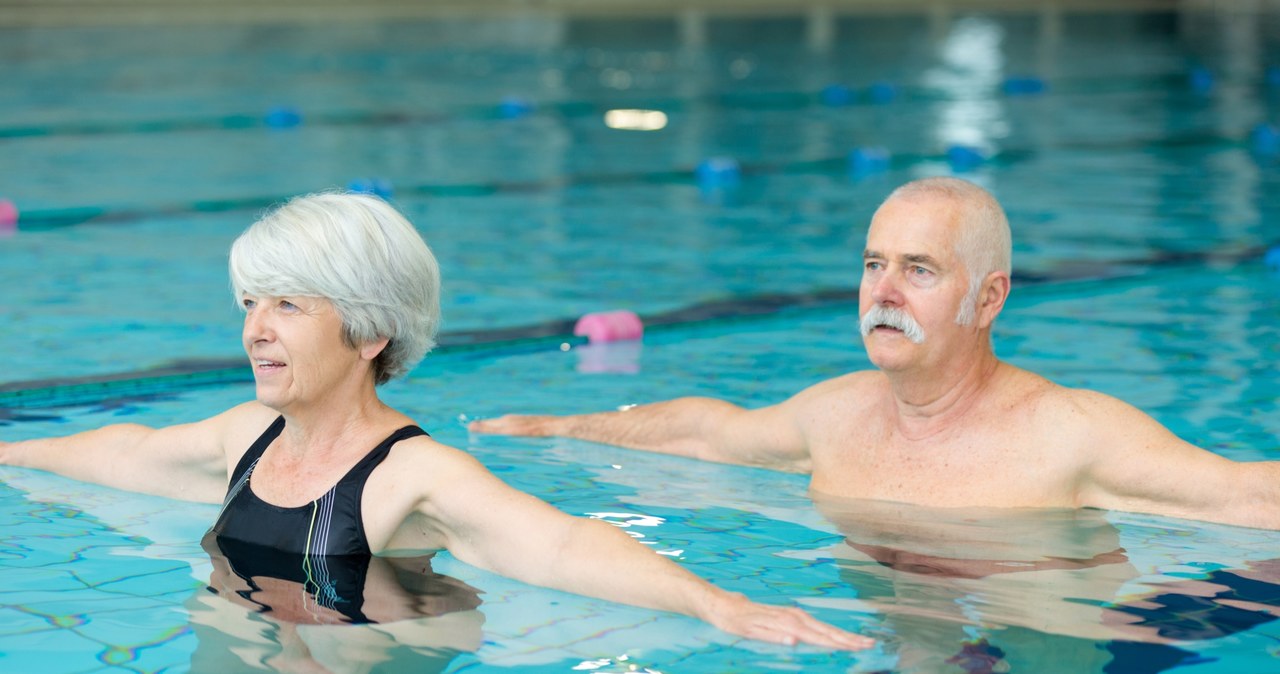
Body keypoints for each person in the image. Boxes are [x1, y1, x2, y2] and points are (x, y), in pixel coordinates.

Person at [0, 192, 870, 651]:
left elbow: (563, 546)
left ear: (372, 331)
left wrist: (720, 607)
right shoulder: (244, 437)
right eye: (250, 301)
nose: (255, 329)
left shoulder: (414, 475)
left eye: (289, 304)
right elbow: (127, 454)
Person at [470, 176, 1280, 530]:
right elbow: (705, 432)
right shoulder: (837, 414)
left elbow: (1245, 499)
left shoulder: (1070, 433)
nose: (882, 291)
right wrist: (556, 426)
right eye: (873, 264)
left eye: (919, 270)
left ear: (988, 299)